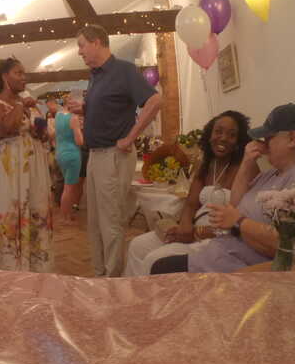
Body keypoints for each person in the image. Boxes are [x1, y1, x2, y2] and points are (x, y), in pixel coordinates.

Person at [150, 103, 295, 274]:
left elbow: (287, 245)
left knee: (160, 268)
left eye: (269, 138)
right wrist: (247, 162)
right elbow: (235, 204)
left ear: (292, 139)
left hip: (240, 266)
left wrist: (239, 222)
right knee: (158, 265)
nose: (264, 144)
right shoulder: (272, 173)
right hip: (221, 252)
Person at [69, 24, 162, 277]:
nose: (79, 51)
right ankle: (100, 274)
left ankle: (112, 280)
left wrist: (130, 137)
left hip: (113, 156)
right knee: (94, 221)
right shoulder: (95, 75)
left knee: (110, 222)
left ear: (97, 42)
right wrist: (84, 109)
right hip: (95, 155)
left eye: (81, 45)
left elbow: (155, 101)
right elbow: (110, 107)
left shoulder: (124, 70)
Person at [124, 110, 251, 276]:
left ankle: (153, 293)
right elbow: (190, 204)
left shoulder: (245, 169)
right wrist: (185, 226)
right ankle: (133, 292)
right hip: (193, 230)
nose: (223, 138)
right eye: (218, 132)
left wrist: (195, 233)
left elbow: (240, 223)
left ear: (239, 141)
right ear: (209, 135)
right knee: (137, 245)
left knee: (154, 259)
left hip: (218, 239)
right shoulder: (207, 164)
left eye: (231, 135)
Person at [0, 57, 53, 272]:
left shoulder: (24, 105)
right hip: (7, 171)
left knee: (34, 209)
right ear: (4, 76)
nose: (24, 78)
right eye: (18, 73)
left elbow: (41, 136)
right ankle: (7, 266)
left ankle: (33, 264)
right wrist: (21, 104)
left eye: (24, 73)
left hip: (31, 170)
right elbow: (6, 128)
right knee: (8, 210)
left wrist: (40, 130)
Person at [54, 100, 85, 223]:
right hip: (72, 154)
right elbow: (79, 141)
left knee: (67, 186)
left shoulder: (58, 115)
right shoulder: (74, 118)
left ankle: (67, 214)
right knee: (69, 188)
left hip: (60, 152)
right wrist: (81, 130)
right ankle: (64, 217)